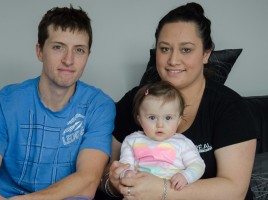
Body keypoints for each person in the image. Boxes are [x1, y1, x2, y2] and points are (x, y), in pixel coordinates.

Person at [98, 2, 256, 200]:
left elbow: (235, 191)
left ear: (206, 54)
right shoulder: (135, 100)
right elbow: (103, 173)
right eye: (164, 49)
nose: (173, 60)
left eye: (186, 50)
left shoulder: (230, 107)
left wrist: (163, 190)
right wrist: (114, 184)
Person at [0, 5, 115, 200]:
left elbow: (87, 181)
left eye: (79, 50)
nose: (68, 60)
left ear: (87, 55)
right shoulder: (2, 105)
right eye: (58, 47)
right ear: (39, 51)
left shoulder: (99, 106)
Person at [119, 81, 205, 193]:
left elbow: (198, 165)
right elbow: (125, 164)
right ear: (139, 119)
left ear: (178, 120)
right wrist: (126, 173)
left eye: (168, 118)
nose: (160, 124)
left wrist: (186, 176)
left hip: (172, 192)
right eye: (152, 117)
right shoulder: (132, 140)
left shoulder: (183, 143)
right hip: (141, 192)